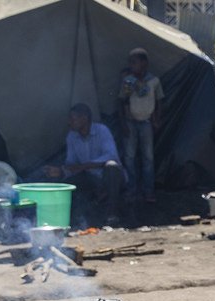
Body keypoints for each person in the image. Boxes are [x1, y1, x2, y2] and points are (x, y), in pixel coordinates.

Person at [44, 103, 124, 228]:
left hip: (109, 177)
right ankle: (73, 219)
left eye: (72, 118)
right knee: (68, 184)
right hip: (90, 178)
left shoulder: (102, 131)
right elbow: (72, 164)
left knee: (112, 166)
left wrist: (84, 166)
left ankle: (112, 214)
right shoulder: (72, 137)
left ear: (84, 119)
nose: (69, 122)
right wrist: (61, 171)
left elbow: (111, 156)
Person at [118, 48, 164, 203]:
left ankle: (148, 191)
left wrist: (157, 119)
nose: (131, 66)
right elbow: (122, 101)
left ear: (144, 63)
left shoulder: (154, 81)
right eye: (130, 63)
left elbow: (158, 101)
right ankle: (132, 190)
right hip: (131, 122)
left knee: (148, 158)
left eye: (134, 62)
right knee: (130, 157)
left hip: (146, 123)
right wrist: (123, 122)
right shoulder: (128, 81)